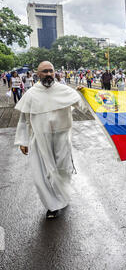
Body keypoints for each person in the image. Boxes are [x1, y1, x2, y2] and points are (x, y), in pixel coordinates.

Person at [14, 61, 84, 219]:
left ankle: (62, 196)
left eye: (50, 71)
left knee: (63, 170)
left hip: (62, 137)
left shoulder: (64, 90)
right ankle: (52, 206)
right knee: (42, 174)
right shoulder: (31, 94)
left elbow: (83, 106)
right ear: (38, 74)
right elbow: (24, 119)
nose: (48, 74)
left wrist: (83, 93)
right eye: (44, 71)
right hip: (40, 139)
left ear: (55, 72)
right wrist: (23, 141)